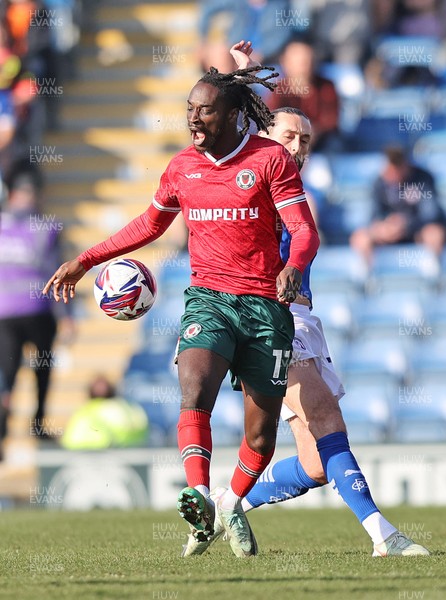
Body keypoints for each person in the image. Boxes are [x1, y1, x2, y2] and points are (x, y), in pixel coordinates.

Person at [44, 64, 320, 558]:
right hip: (208, 300)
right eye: (190, 108)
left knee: (260, 433)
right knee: (195, 390)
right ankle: (197, 494)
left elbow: (304, 230)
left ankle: (231, 502)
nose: (194, 118)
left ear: (235, 115)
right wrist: (85, 260)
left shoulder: (270, 159)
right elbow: (149, 226)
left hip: (265, 307)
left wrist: (294, 266)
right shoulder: (181, 168)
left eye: (205, 110)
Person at [181, 41, 430, 558]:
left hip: (304, 318)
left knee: (316, 465)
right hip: (266, 317)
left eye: (307, 140)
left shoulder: (295, 189)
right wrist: (246, 76)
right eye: (290, 136)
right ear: (265, 138)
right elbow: (246, 132)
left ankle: (230, 502)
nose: (298, 146)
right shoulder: (252, 176)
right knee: (324, 414)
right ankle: (384, 534)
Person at [0, 159, 74, 457]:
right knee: (33, 373)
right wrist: (67, 316)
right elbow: (58, 272)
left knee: (9, 375)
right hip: (35, 311)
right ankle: (37, 426)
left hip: (9, 314)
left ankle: (9, 432)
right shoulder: (47, 228)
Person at [350, 145, 446, 265]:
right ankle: (369, 278)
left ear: (405, 166)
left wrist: (406, 224)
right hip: (388, 232)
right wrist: (384, 226)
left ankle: (434, 276)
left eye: (395, 170)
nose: (391, 174)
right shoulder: (379, 182)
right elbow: (372, 215)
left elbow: (431, 214)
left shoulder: (423, 179)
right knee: (360, 238)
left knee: (434, 234)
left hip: (416, 232)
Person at [265, 36, 342, 152]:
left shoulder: (326, 87)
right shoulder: (278, 89)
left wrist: (308, 134)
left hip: (320, 147)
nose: (304, 64)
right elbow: (270, 120)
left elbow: (330, 122)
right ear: (285, 61)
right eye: (298, 59)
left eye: (307, 59)